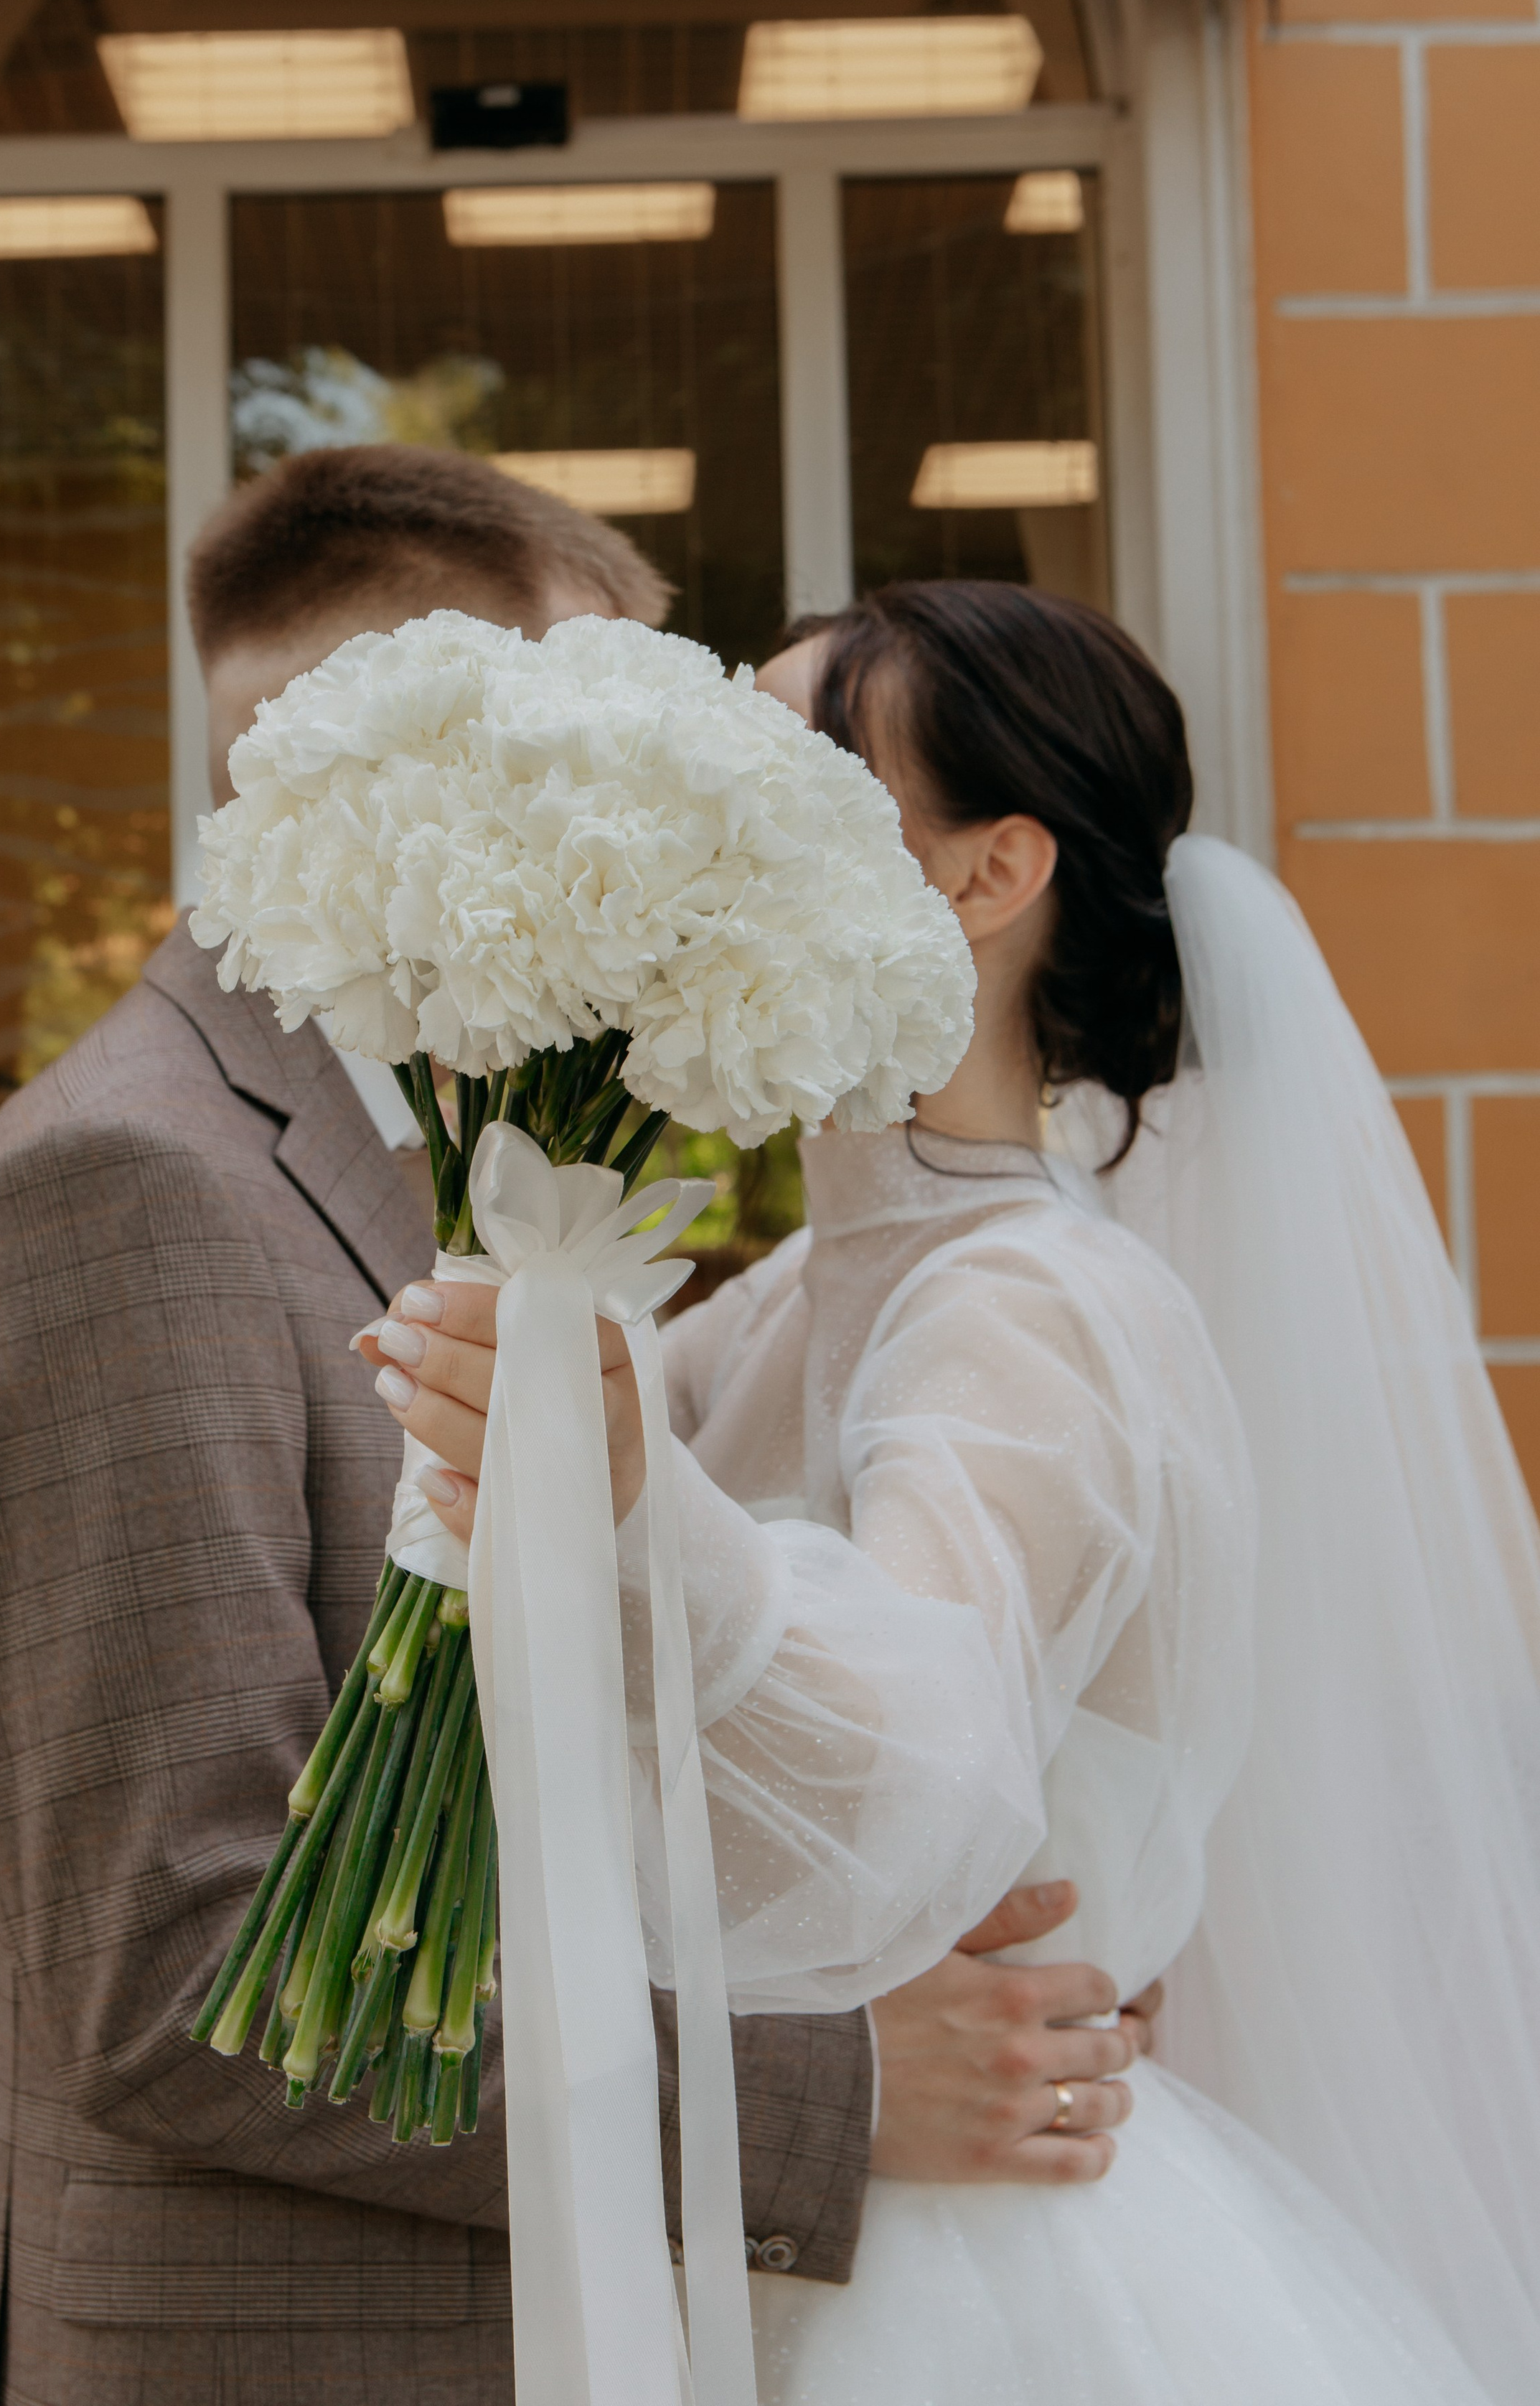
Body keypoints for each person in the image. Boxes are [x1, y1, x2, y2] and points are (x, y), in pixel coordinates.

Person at [0, 469, 1150, 2406]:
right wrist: (844, 2082)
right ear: (439, 743)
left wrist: (849, 1890)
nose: (661, 809)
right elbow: (174, 1968)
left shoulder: (440, 1149)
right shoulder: (134, 1185)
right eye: (614, 741)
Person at [364, 577, 1540, 2404]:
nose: (708, 832)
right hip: (816, 2211)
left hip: (951, 2282)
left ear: (991, 878)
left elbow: (914, 1758)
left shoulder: (1026, 1309)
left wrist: (620, 1500)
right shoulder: (797, 1298)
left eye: (789, 780)